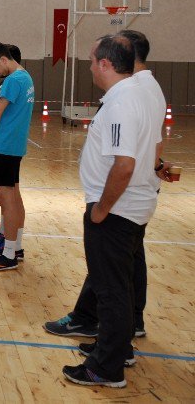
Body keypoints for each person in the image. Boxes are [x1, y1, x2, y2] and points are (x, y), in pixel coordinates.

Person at [44, 30, 169, 342]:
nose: (90, 66)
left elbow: (124, 162)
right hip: (133, 196)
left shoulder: (129, 95)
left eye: (94, 59)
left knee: (113, 277)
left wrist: (101, 208)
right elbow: (153, 140)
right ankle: (120, 327)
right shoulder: (144, 89)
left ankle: (110, 348)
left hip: (120, 200)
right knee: (122, 268)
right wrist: (154, 166)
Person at [0, 41, 34, 271]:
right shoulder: (27, 77)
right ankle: (16, 246)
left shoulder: (12, 81)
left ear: (3, 59)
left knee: (6, 200)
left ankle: (9, 254)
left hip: (4, 146)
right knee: (15, 197)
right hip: (16, 145)